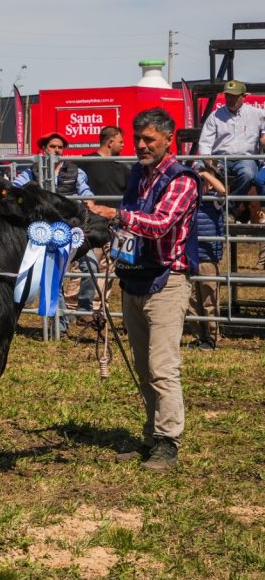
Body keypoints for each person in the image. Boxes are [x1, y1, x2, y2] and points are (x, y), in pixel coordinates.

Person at [90, 108, 199, 471]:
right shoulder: (138, 173)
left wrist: (115, 216)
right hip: (135, 276)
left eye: (149, 138)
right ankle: (152, 436)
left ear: (169, 140)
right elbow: (132, 215)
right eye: (138, 138)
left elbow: (161, 224)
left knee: (162, 366)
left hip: (167, 280)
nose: (140, 145)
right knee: (142, 364)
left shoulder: (182, 179)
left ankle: (168, 443)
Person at [13, 133, 95, 333]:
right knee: (53, 274)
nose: (57, 150)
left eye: (60, 147)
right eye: (53, 146)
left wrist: (89, 201)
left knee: (91, 265)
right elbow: (15, 187)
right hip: (45, 232)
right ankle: (60, 323)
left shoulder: (75, 171)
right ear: (44, 148)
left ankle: (83, 309)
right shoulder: (31, 172)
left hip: (72, 229)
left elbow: (86, 192)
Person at [75, 126, 131, 321]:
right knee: (85, 265)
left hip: (115, 225)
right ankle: (77, 307)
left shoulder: (123, 168)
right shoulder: (85, 163)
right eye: (121, 142)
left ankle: (98, 309)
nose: (123, 146)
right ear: (110, 142)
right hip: (91, 225)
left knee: (108, 268)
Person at [196, 79, 265, 214]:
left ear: (244, 96)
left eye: (234, 96)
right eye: (227, 96)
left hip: (245, 158)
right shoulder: (215, 116)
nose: (230, 99)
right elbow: (205, 142)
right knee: (200, 171)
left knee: (248, 173)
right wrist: (207, 158)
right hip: (219, 158)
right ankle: (202, 212)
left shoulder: (258, 114)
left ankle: (228, 208)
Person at [187, 167, 225, 351]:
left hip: (208, 258)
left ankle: (212, 336)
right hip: (190, 256)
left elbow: (223, 191)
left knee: (209, 297)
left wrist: (206, 175)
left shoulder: (214, 201)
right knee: (192, 300)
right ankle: (198, 335)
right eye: (198, 180)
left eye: (203, 181)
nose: (200, 184)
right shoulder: (189, 200)